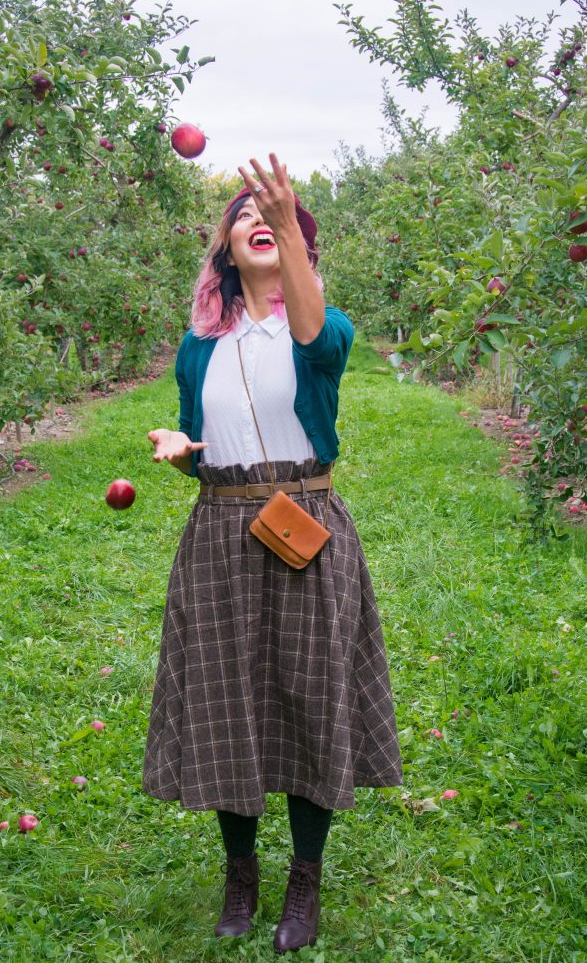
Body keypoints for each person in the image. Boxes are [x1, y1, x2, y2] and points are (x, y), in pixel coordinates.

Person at [143, 153, 403, 954]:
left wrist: (289, 222)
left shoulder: (322, 333)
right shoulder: (199, 348)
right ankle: (239, 874)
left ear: (298, 246)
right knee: (227, 700)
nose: (260, 218)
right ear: (224, 246)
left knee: (305, 696)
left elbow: (312, 332)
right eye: (245, 213)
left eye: (278, 218)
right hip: (221, 529)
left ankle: (304, 881)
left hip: (304, 526)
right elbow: (203, 440)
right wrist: (180, 446)